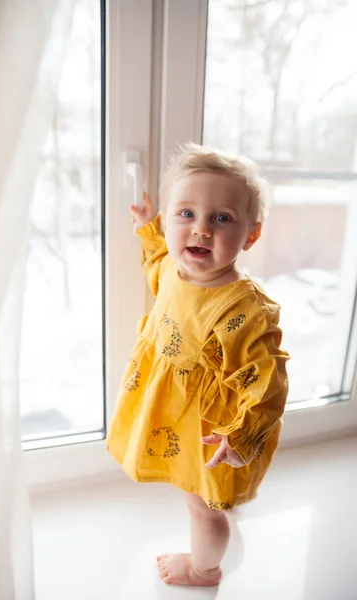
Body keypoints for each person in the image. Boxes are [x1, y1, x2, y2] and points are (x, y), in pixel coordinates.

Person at [107, 143, 289, 587]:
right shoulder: (176, 267)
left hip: (211, 431)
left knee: (202, 508)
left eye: (221, 218)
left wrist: (241, 433)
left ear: (251, 235)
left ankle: (204, 568)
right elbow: (157, 265)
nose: (201, 230)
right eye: (185, 214)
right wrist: (149, 230)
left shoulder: (242, 309)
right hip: (177, 414)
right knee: (210, 495)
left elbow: (266, 382)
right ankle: (224, 500)